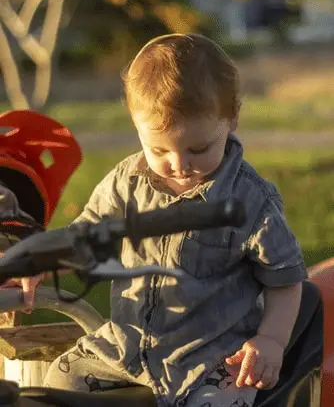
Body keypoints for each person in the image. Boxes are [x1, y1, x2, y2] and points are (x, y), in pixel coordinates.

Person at [3, 34, 307, 407]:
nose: (180, 165)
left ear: (232, 118)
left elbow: (285, 279)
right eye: (159, 149)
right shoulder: (126, 182)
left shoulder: (251, 202)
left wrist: (271, 340)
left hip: (212, 358)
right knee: (61, 382)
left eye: (198, 148)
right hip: (127, 349)